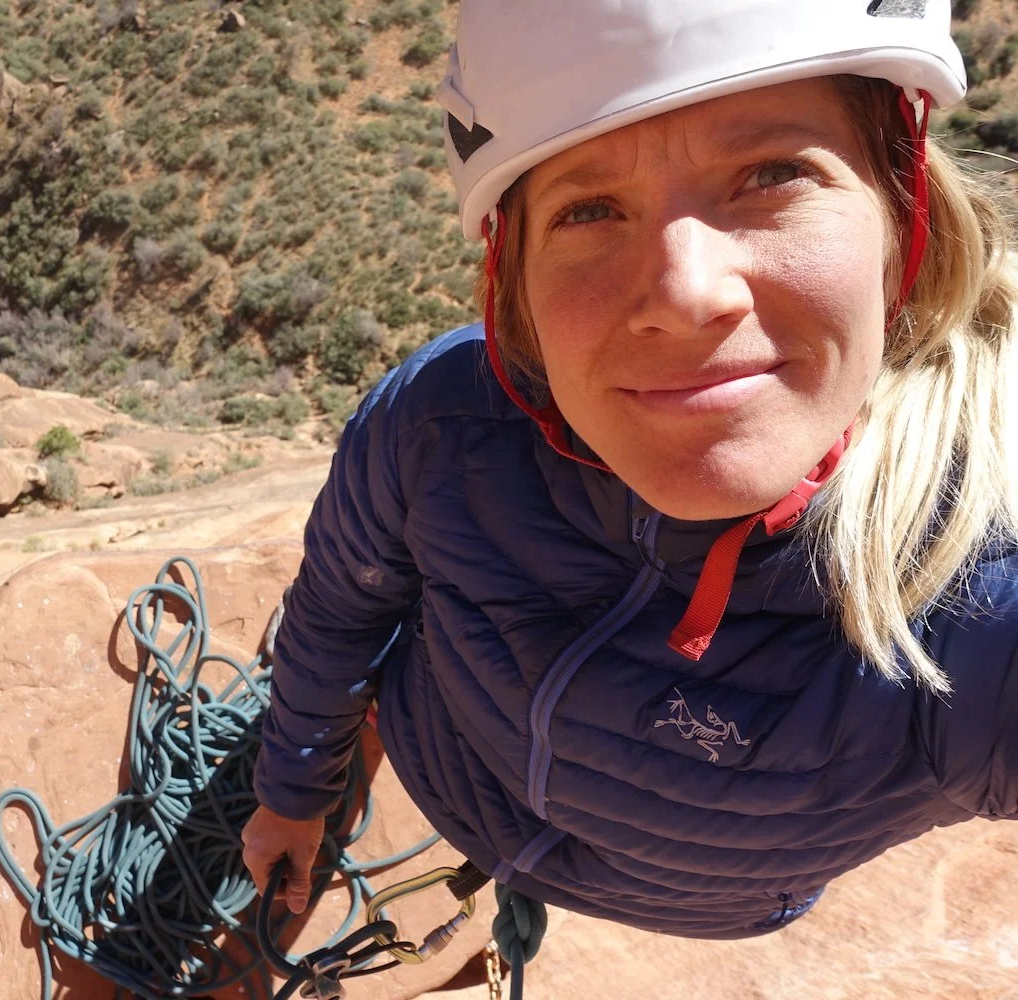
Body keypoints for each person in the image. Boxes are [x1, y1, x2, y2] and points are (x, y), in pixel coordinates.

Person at [241, 0, 1018, 974]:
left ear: (899, 206)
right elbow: (339, 612)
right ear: (512, 275)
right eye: (590, 207)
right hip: (460, 784)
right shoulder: (440, 424)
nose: (689, 293)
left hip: (696, 902)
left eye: (773, 172)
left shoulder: (976, 594)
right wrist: (293, 791)